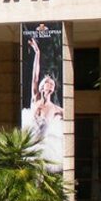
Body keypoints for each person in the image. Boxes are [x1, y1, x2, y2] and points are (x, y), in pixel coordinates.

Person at [22, 37, 64, 166]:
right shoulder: (35, 98)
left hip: (42, 146)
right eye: (48, 83)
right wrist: (37, 53)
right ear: (42, 86)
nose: (50, 85)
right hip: (29, 141)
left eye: (52, 84)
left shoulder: (56, 109)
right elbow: (35, 76)